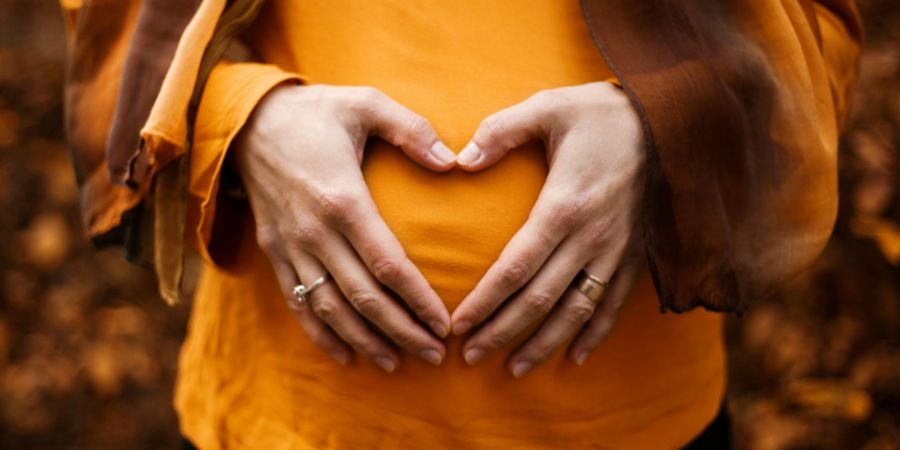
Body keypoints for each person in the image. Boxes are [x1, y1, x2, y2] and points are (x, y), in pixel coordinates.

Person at [60, 0, 861, 448]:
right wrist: (241, 121)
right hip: (292, 422)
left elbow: (818, 33)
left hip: (636, 428)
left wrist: (666, 128)